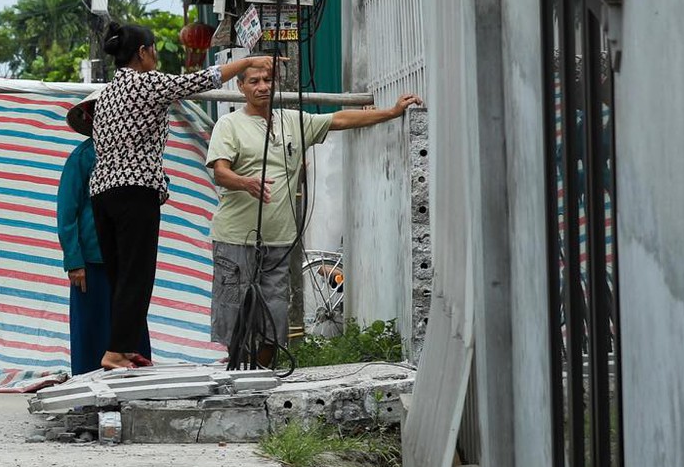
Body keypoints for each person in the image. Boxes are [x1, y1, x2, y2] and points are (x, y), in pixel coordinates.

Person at [206, 58, 422, 367]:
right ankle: (237, 376)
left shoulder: (292, 121)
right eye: (254, 81)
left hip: (279, 242)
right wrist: (245, 183)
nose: (263, 86)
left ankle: (263, 377)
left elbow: (339, 120)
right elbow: (220, 172)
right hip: (235, 239)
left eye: (267, 80)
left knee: (274, 319)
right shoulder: (229, 124)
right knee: (236, 316)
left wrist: (390, 112)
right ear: (241, 87)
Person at [88, 23, 272, 372]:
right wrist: (252, 61)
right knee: (137, 274)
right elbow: (206, 79)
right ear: (142, 53)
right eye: (154, 49)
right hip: (135, 188)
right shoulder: (148, 83)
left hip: (102, 192)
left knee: (120, 275)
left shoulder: (107, 93)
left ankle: (121, 349)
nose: (156, 56)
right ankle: (115, 353)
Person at [57, 97, 140, 375]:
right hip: (91, 262)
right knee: (90, 328)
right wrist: (74, 260)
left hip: (127, 259)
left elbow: (157, 178)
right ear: (89, 120)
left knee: (131, 326)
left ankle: (135, 388)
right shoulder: (82, 158)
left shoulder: (133, 154)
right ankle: (88, 390)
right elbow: (66, 213)